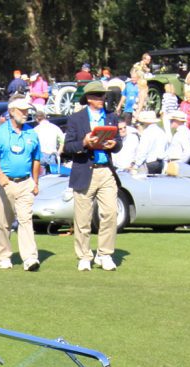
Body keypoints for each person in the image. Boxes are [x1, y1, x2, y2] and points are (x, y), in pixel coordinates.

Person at [62, 81, 120, 271]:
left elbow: (118, 142)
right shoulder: (76, 119)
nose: (102, 99)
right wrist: (85, 142)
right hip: (85, 169)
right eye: (97, 96)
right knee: (83, 218)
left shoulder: (111, 116)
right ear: (88, 98)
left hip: (105, 170)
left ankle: (105, 254)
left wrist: (114, 145)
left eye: (103, 95)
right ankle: (84, 256)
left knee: (110, 213)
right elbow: (68, 147)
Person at [0, 97, 42, 270]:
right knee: (4, 222)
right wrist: (0, 176)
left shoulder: (31, 133)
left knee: (26, 219)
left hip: (25, 182)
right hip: (4, 182)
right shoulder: (0, 133)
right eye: (21, 110)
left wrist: (35, 182)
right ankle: (4, 256)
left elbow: (36, 159)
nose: (25, 114)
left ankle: (30, 258)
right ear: (12, 111)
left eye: (27, 111)